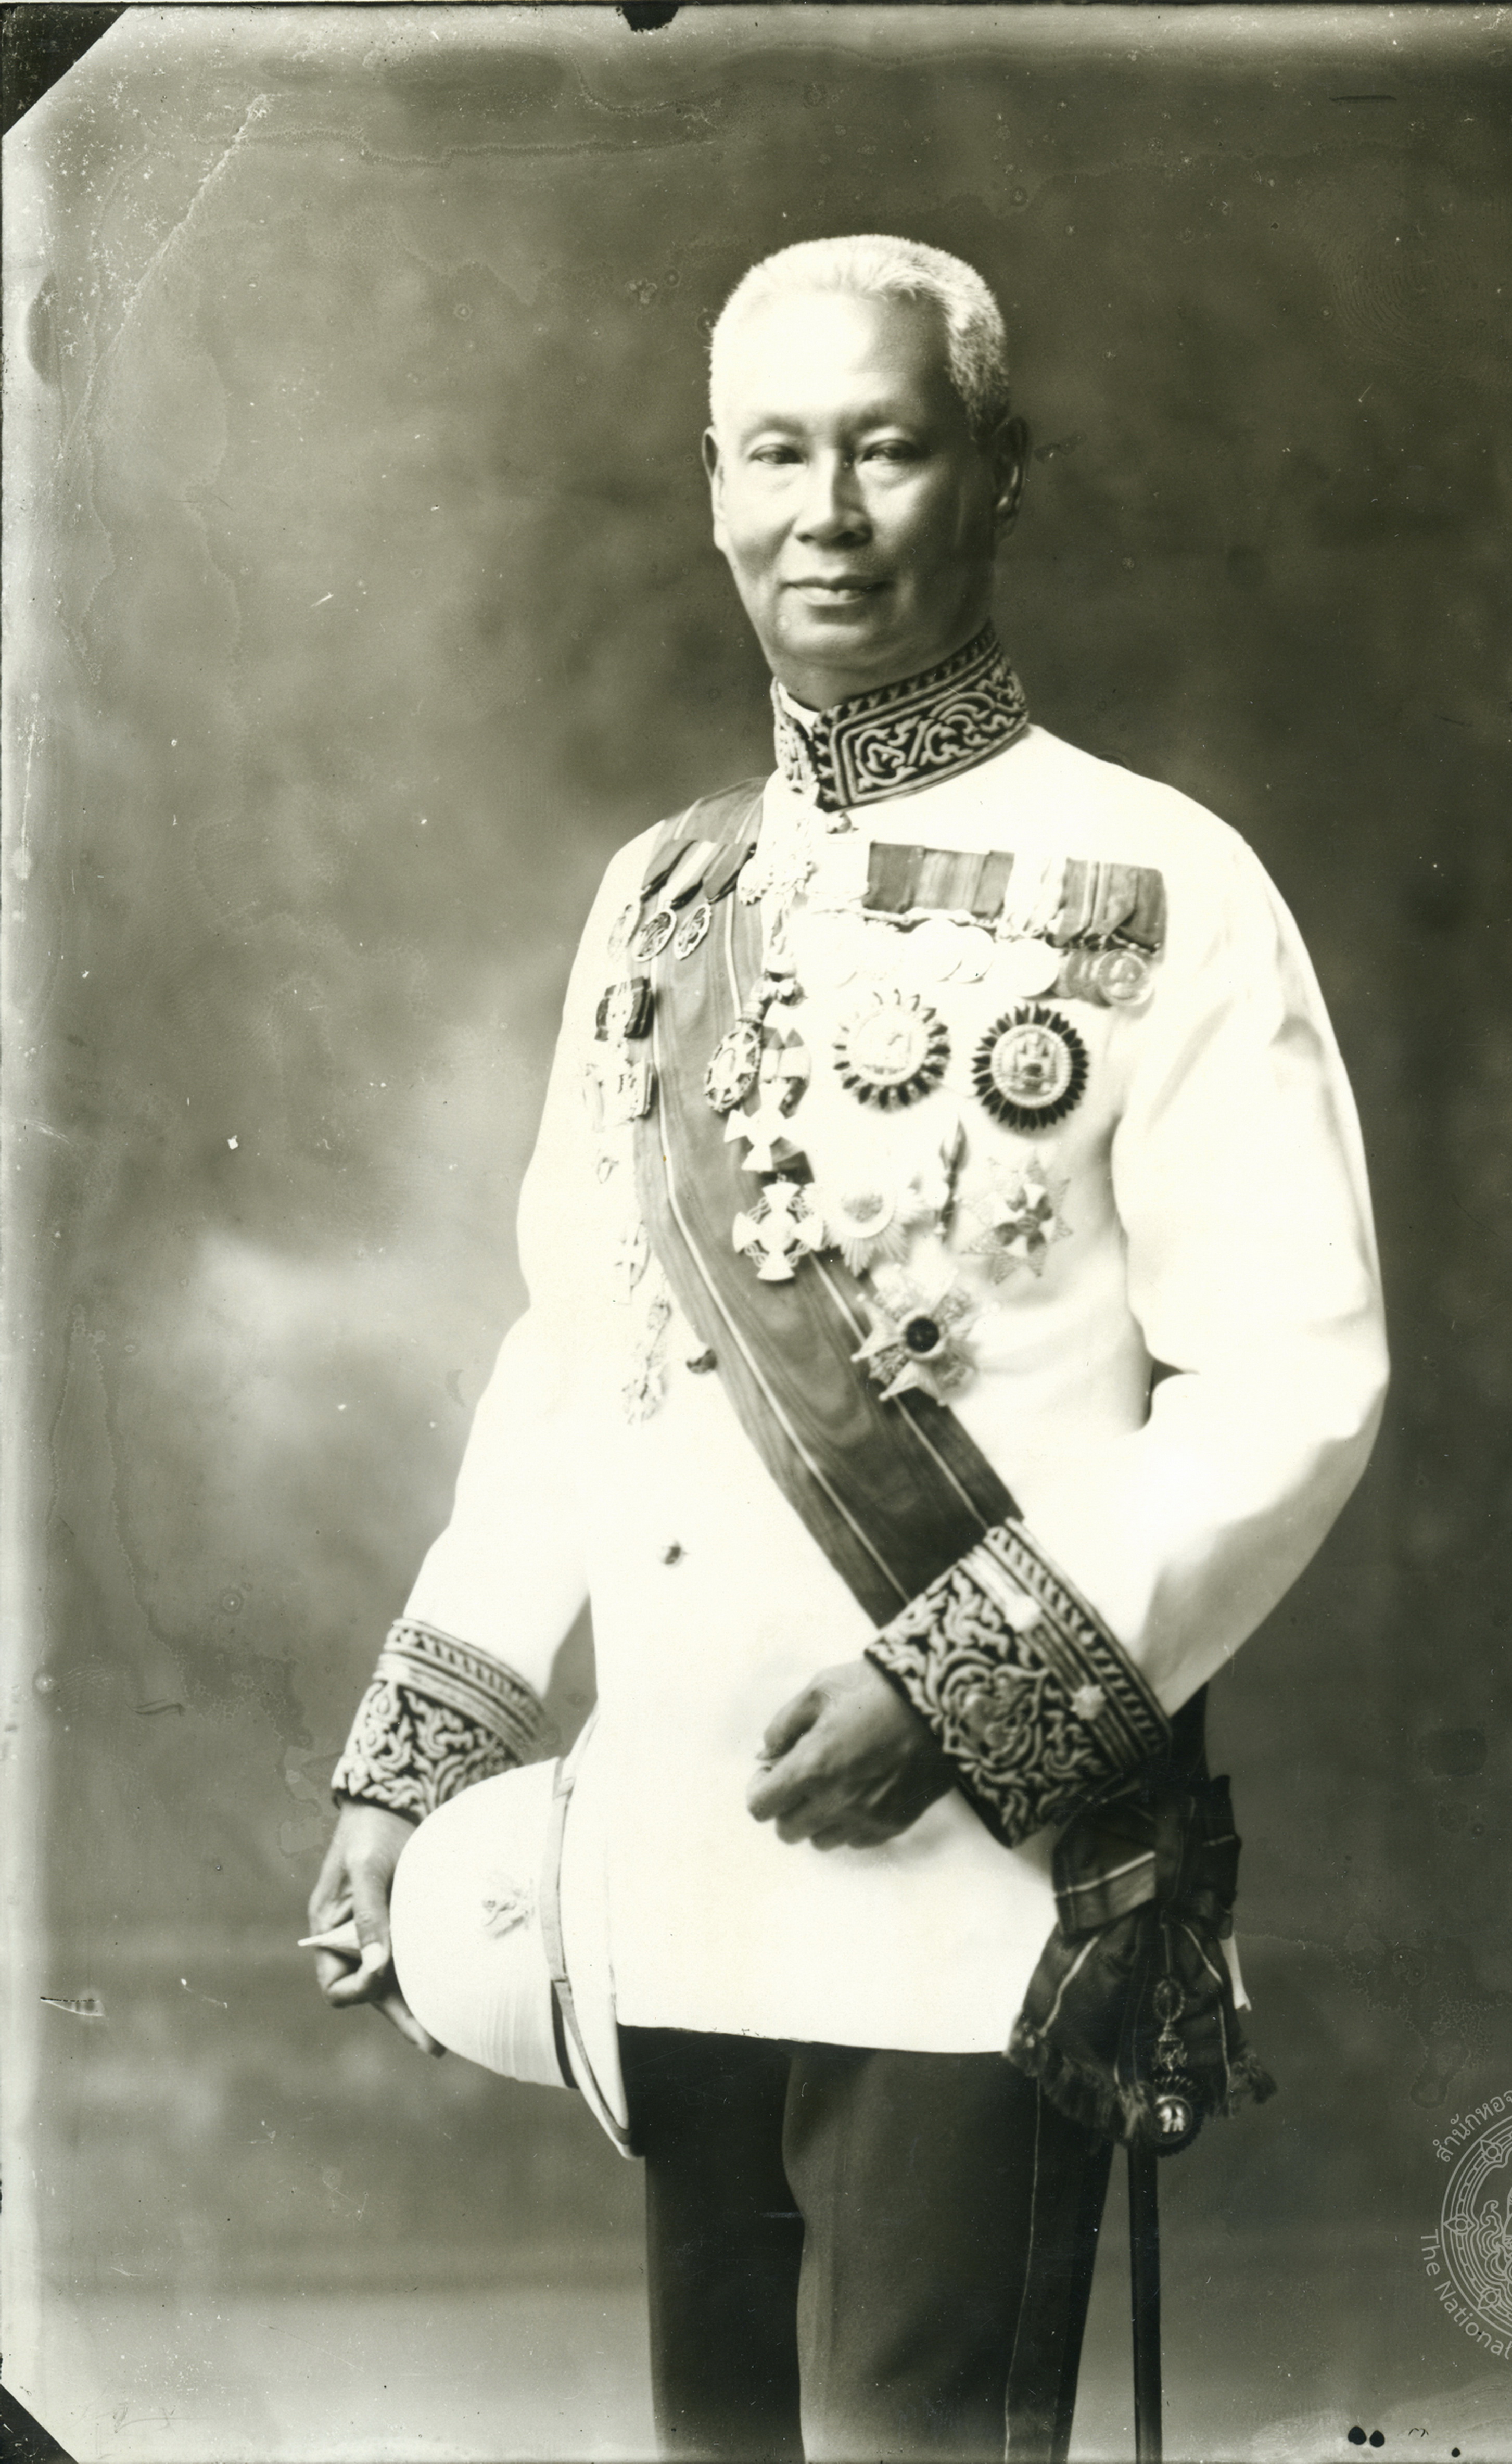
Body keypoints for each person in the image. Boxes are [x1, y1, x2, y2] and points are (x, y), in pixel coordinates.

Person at [308, 233, 1388, 2464]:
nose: (827, 511)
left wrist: (957, 1691)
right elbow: (573, 1348)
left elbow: (1293, 1378)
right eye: (776, 453)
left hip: (964, 1886)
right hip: (662, 1871)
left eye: (887, 448)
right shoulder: (657, 898)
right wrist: (418, 1746)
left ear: (999, 474)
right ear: (709, 484)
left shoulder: (1160, 882)